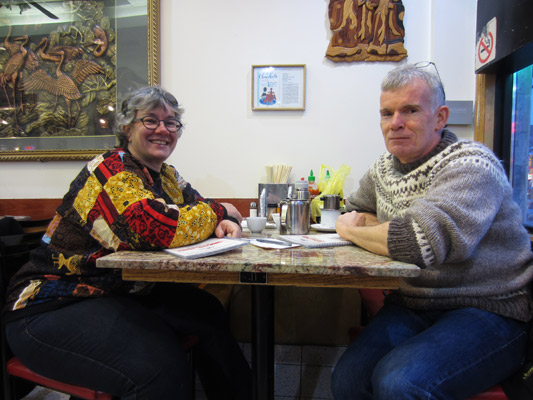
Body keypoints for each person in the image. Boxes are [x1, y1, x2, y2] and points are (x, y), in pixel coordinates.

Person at [3, 86, 252, 399]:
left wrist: (223, 218)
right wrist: (221, 211)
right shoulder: (111, 168)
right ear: (126, 127)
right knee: (159, 366)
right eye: (150, 120)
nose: (163, 129)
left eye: (171, 122)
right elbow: (153, 228)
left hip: (114, 293)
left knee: (206, 310)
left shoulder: (167, 176)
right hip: (52, 304)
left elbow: (198, 206)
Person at [331, 63, 533, 399]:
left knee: (400, 383)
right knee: (347, 380)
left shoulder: (471, 163)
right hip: (413, 302)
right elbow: (354, 210)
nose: (395, 122)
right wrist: (363, 224)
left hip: (490, 309)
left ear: (440, 118)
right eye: (387, 113)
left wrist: (350, 231)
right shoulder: (383, 169)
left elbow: (418, 242)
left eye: (410, 110)